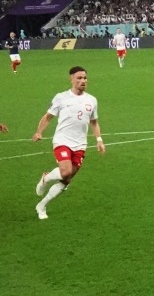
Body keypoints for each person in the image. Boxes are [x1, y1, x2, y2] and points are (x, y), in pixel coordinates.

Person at [33, 66, 105, 220]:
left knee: (67, 180)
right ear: (71, 79)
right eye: (79, 78)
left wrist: (99, 140)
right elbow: (48, 117)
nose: (83, 81)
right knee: (65, 171)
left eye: (85, 78)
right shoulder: (61, 97)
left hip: (80, 144)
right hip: (62, 140)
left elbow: (94, 122)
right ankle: (46, 178)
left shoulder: (92, 100)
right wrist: (39, 132)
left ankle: (42, 206)